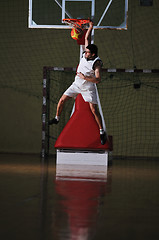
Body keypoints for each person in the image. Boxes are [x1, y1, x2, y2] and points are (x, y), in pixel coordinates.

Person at [49, 21, 107, 145]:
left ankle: (102, 131)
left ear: (93, 54)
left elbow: (98, 80)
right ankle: (56, 118)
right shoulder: (86, 52)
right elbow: (86, 37)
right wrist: (90, 27)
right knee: (62, 100)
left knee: (93, 110)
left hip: (88, 87)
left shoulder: (96, 63)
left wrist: (84, 77)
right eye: (85, 51)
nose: (85, 53)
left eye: (87, 53)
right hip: (76, 84)